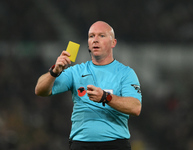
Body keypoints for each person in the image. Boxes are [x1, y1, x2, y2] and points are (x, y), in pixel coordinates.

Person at [35, 21, 142, 150]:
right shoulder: (76, 71)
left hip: (115, 144)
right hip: (81, 144)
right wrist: (54, 72)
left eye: (101, 36)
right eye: (91, 36)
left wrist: (105, 97)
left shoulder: (126, 73)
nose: (95, 40)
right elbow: (40, 90)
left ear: (113, 42)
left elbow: (135, 107)